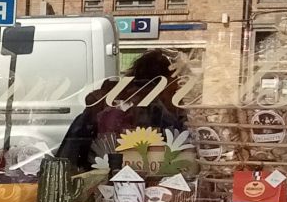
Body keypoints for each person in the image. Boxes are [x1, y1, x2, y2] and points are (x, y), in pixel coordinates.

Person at [55, 47, 188, 170]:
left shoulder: (162, 113)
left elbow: (66, 158)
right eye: (174, 89)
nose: (178, 94)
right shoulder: (112, 111)